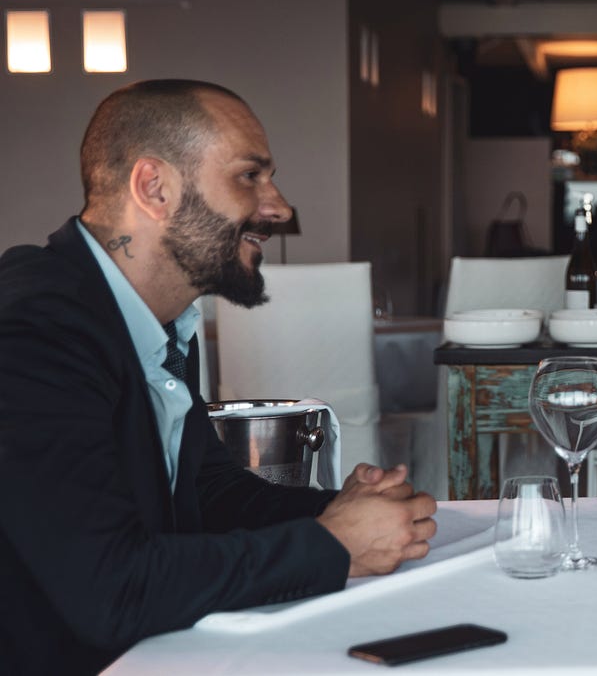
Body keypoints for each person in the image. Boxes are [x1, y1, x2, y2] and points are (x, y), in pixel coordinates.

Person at [0, 80, 438, 676]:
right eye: (249, 176)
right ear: (154, 188)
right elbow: (111, 591)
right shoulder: (35, 330)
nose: (279, 207)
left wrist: (342, 509)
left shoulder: (158, 320)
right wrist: (335, 545)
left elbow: (209, 495)